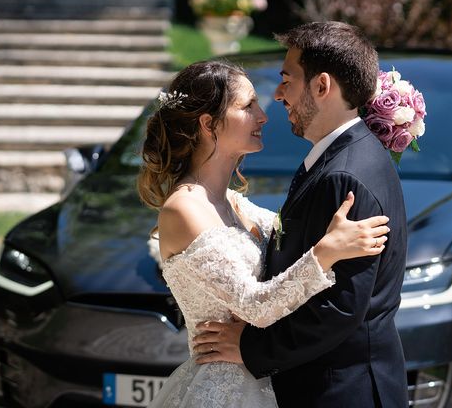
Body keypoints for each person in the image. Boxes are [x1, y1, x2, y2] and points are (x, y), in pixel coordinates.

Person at [137, 60, 391, 407]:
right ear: (209, 124)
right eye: (248, 106)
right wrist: (327, 252)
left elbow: (292, 241)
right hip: (223, 391)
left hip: (268, 382)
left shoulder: (236, 204)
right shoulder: (184, 209)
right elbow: (255, 305)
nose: (263, 116)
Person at [193, 22, 409, 407]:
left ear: (321, 86)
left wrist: (250, 349)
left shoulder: (344, 174)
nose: (278, 95)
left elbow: (339, 308)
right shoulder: (340, 156)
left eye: (287, 80)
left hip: (341, 391)